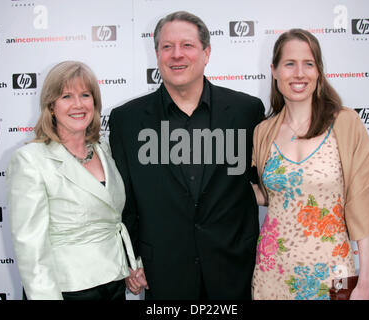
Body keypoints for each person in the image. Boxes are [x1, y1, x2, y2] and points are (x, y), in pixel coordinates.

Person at [109, 11, 265, 299]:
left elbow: (266, 184)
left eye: (187, 45)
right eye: (167, 47)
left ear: (206, 53)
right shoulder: (127, 121)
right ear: (156, 54)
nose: (176, 55)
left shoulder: (247, 112)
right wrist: (130, 260)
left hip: (235, 271)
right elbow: (124, 202)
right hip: (162, 275)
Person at [251, 29, 369, 300]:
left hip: (332, 273)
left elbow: (362, 201)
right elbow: (270, 196)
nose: (299, 73)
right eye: (289, 64)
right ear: (274, 71)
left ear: (318, 71)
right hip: (272, 272)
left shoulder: (345, 123)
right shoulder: (263, 132)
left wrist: (366, 280)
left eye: (308, 64)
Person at [6, 61, 140, 300]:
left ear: (95, 103)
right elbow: (30, 247)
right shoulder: (30, 160)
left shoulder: (105, 150)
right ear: (51, 105)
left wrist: (131, 262)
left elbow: (115, 218)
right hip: (67, 289)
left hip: (114, 283)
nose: (78, 104)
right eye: (66, 96)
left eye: (85, 95)